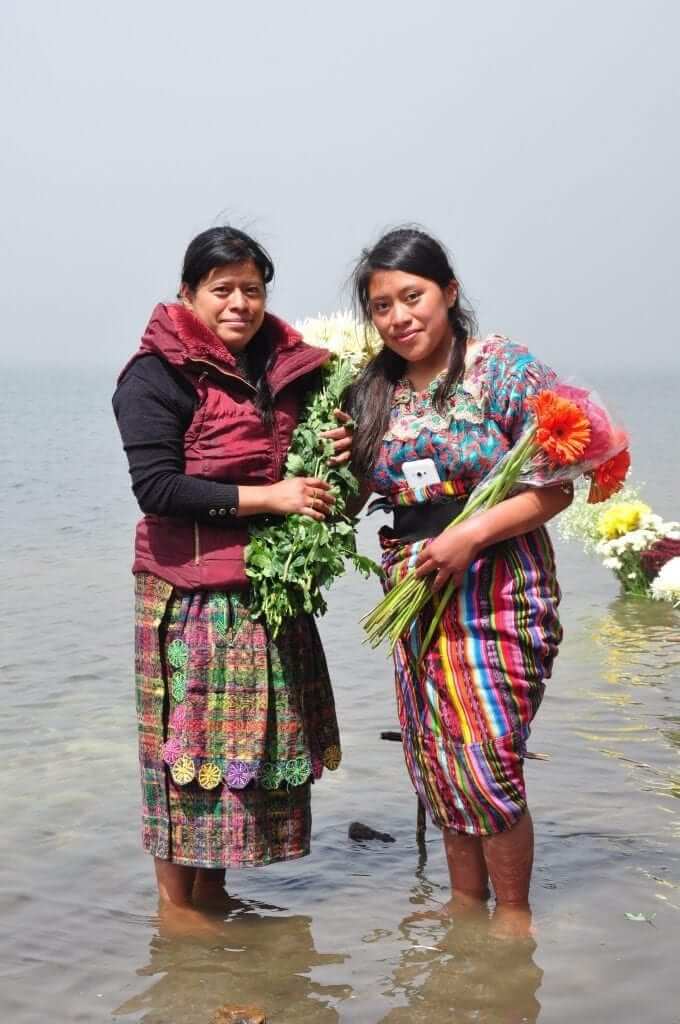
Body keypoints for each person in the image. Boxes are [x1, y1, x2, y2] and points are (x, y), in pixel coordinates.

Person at [333, 227, 572, 934]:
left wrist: (469, 534)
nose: (400, 317)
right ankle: (466, 909)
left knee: (486, 753)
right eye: (382, 307)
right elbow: (348, 499)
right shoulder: (369, 391)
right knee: (436, 756)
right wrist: (330, 455)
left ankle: (514, 922)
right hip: (413, 590)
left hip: (500, 584)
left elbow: (558, 485)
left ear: (449, 293)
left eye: (413, 297)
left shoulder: (500, 368)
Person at [113, 226, 341, 925]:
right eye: (222, 290)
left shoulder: (282, 367)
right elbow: (156, 487)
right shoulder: (153, 376)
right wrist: (271, 497)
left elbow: (300, 465)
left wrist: (323, 448)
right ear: (188, 294)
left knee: (236, 751)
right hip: (187, 591)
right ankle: (176, 916)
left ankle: (213, 899)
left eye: (252, 289)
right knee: (183, 750)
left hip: (260, 588)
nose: (238, 303)